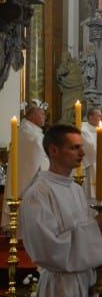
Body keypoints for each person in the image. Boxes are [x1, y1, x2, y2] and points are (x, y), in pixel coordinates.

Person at [19, 124, 102, 297]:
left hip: (83, 282)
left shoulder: (75, 189)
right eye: (75, 148)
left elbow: (80, 231)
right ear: (54, 150)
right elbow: (47, 247)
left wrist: (94, 231)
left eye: (81, 147)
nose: (82, 153)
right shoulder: (38, 193)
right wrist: (92, 229)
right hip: (61, 287)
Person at [2, 102, 50, 238]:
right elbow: (37, 150)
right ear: (32, 115)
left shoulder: (33, 131)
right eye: (41, 114)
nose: (44, 117)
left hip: (35, 177)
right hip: (29, 179)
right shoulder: (26, 131)